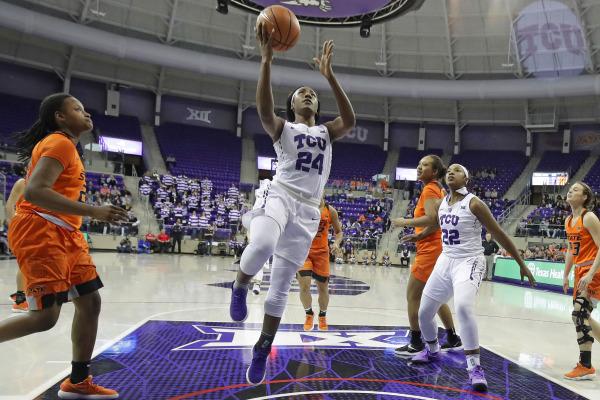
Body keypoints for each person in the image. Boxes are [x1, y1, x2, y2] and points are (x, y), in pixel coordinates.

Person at [228, 26, 355, 386]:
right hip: (280, 195)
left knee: (281, 286)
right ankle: (240, 283)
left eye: (312, 94)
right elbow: (264, 110)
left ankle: (262, 347)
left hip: (309, 210)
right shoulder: (283, 127)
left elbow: (350, 121)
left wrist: (330, 77)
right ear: (293, 106)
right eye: (301, 93)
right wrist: (266, 61)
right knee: (262, 244)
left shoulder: (326, 132)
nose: (308, 95)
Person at [0, 93, 127, 398]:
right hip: (41, 230)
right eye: (77, 109)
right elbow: (34, 191)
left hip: (66, 233)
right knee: (44, 318)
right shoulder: (59, 143)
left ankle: (78, 382)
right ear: (60, 117)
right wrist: (95, 211)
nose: (87, 113)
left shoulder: (67, 146)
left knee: (90, 303)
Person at [408, 164, 536, 392]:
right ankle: (433, 350)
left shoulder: (474, 203)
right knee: (424, 312)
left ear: (466, 179)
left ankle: (475, 367)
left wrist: (521, 263)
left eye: (457, 170)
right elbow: (436, 225)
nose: (451, 172)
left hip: (469, 261)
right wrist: (418, 237)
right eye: (449, 170)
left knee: (463, 308)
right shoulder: (442, 203)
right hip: (446, 260)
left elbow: (498, 233)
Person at [392, 155, 462, 356]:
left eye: (424, 165)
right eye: (419, 164)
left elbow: (431, 218)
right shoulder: (438, 189)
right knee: (436, 297)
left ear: (435, 171)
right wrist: (419, 235)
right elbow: (437, 222)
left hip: (430, 251)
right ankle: (452, 338)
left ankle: (416, 342)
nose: (419, 167)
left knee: (413, 296)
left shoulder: (430, 189)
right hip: (435, 247)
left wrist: (405, 222)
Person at [562, 182, 600, 380]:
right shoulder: (568, 220)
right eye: (570, 189)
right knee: (586, 317)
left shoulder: (589, 217)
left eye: (576, 190)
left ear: (585, 197)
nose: (571, 191)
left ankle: (585, 365)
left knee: (579, 314)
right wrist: (566, 274)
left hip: (594, 270)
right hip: (580, 271)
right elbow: (571, 249)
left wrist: (591, 273)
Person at [297, 198, 343, 331]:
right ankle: (309, 314)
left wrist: (336, 243)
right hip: (304, 251)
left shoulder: (330, 210)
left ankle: (322, 316)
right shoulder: (302, 206)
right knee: (304, 284)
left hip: (322, 253)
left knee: (323, 288)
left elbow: (339, 232)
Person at [6, 174, 27, 312]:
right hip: (23, 229)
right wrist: (15, 226)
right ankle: (20, 300)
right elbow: (9, 206)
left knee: (31, 264)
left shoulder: (42, 183)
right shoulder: (23, 182)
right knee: (26, 264)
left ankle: (23, 294)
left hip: (34, 229)